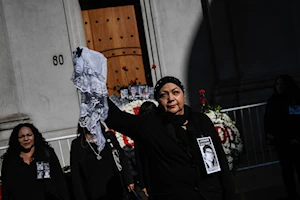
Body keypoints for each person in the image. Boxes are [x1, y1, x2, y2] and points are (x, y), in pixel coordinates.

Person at [105, 76, 239, 200]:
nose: (171, 98)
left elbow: (221, 161)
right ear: (158, 100)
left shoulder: (201, 121)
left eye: (176, 92)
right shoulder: (150, 125)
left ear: (183, 95)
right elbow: (117, 119)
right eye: (164, 95)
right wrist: (92, 85)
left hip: (211, 195)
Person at [1, 123, 70, 200]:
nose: (26, 139)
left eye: (29, 135)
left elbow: (59, 180)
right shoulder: (10, 160)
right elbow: (6, 189)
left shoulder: (46, 154)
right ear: (17, 139)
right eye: (21, 136)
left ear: (34, 136)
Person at [70, 124, 134, 200]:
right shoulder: (78, 144)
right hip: (93, 191)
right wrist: (80, 195)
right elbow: (75, 172)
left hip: (115, 187)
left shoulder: (108, 137)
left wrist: (128, 180)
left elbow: (122, 158)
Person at [264, 74, 300, 199]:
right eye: (277, 84)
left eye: (282, 84)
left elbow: (297, 120)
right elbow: (268, 120)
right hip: (282, 142)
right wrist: (269, 134)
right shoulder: (273, 101)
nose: (279, 87)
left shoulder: (295, 98)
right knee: (287, 172)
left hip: (295, 141)